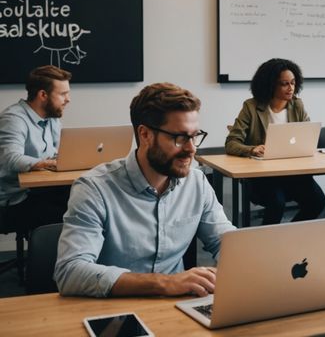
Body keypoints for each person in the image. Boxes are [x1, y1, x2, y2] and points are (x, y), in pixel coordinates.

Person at [55, 83, 235, 298]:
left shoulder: (196, 183)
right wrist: (163, 283)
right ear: (145, 134)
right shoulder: (94, 188)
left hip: (176, 306)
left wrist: (257, 262)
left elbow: (225, 242)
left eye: (194, 136)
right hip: (112, 308)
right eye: (179, 138)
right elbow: (70, 271)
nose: (191, 149)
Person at [225, 58, 325, 225]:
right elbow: (231, 143)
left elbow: (308, 136)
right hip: (264, 176)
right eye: (284, 83)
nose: (291, 88)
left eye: (293, 82)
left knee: (317, 201)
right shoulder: (251, 107)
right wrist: (252, 149)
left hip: (293, 173)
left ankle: (288, 236)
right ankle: (267, 245)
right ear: (270, 85)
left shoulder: (297, 105)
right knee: (276, 203)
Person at [0, 66, 73, 234]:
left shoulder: (51, 118)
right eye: (63, 94)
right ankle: (49, 259)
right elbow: (10, 158)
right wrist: (47, 163)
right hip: (14, 200)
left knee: (83, 197)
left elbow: (58, 153)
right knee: (68, 213)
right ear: (43, 95)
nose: (68, 99)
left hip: (40, 191)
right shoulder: (13, 119)